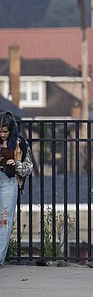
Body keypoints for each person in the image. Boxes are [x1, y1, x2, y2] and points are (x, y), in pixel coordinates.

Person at [0, 111, 33, 266]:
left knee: (4, 221)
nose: (2, 134)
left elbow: (29, 167)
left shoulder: (20, 143)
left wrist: (16, 164)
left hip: (9, 181)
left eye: (5, 131)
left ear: (11, 130)